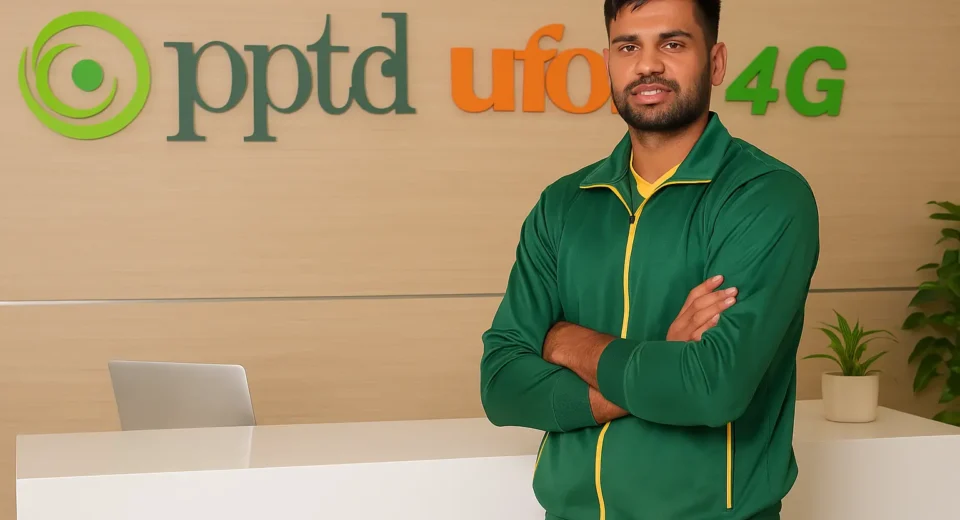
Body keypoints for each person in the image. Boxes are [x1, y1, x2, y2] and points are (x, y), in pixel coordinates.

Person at [478, 0, 820, 519]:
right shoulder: (564, 203)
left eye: (673, 44)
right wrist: (662, 359)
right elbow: (502, 385)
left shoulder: (764, 196)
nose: (647, 65)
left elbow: (711, 388)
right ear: (609, 62)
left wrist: (567, 341)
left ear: (717, 61)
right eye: (629, 46)